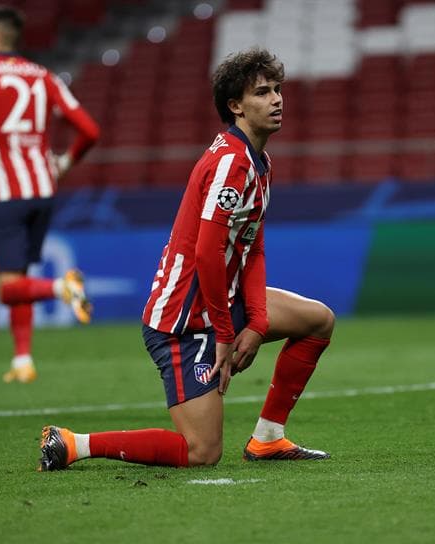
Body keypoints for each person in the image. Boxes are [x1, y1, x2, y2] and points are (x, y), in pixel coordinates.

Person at [38, 47, 335, 470]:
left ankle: (269, 438)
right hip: (181, 320)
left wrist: (258, 321)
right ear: (235, 106)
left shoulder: (259, 161)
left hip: (218, 305)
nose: (277, 100)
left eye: (277, 90)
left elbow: (253, 246)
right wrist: (229, 334)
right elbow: (207, 253)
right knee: (202, 452)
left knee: (318, 320)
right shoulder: (232, 163)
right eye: (263, 92)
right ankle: (72, 443)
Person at [0, 6, 101, 383]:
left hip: (4, 191)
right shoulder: (45, 76)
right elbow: (89, 129)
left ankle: (62, 287)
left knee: (6, 289)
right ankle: (23, 361)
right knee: (19, 276)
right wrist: (65, 163)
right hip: (43, 188)